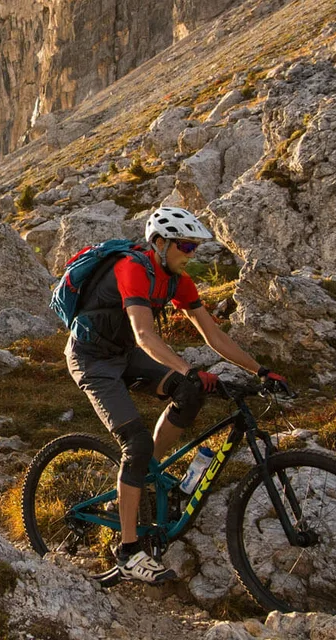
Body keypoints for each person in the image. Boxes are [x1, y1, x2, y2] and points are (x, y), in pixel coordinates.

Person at [65, 206, 286, 584]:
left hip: (124, 355)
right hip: (92, 360)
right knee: (135, 444)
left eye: (194, 247)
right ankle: (129, 552)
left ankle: (147, 473)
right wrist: (187, 368)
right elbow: (144, 334)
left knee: (190, 392)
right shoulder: (132, 268)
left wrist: (260, 370)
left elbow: (213, 335)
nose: (191, 253)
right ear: (159, 243)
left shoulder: (177, 281)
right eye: (185, 245)